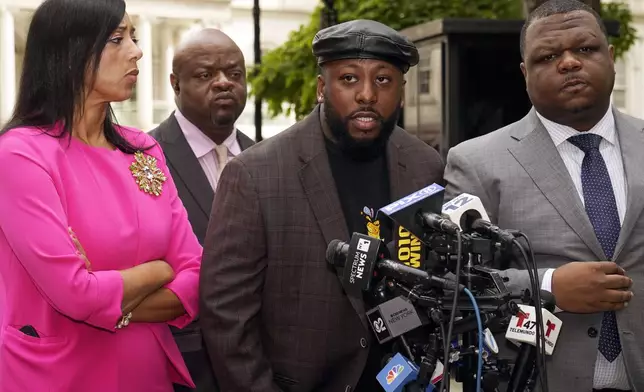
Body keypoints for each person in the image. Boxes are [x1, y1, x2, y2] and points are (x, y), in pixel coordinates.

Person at [199, 19, 444, 392]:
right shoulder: (254, 174)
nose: (366, 94)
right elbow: (226, 317)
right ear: (320, 88)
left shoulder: (426, 165)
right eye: (348, 79)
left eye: (382, 80)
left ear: (403, 92)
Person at [0, 1, 202, 391]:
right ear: (70, 52)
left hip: (145, 371)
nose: (137, 51)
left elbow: (196, 274)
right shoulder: (20, 155)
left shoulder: (142, 149)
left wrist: (109, 299)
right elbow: (75, 295)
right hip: (56, 375)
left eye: (134, 37)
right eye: (116, 39)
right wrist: (158, 271)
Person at [444, 0, 643, 390]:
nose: (569, 63)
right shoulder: (477, 162)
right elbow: (454, 283)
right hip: (540, 379)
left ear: (612, 56)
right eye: (548, 56)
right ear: (525, 73)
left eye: (585, 49)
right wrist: (548, 286)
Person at [150, 28, 255, 392]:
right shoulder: (141, 158)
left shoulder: (271, 159)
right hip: (180, 364)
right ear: (175, 84)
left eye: (234, 73)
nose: (224, 83)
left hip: (260, 366)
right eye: (206, 75)